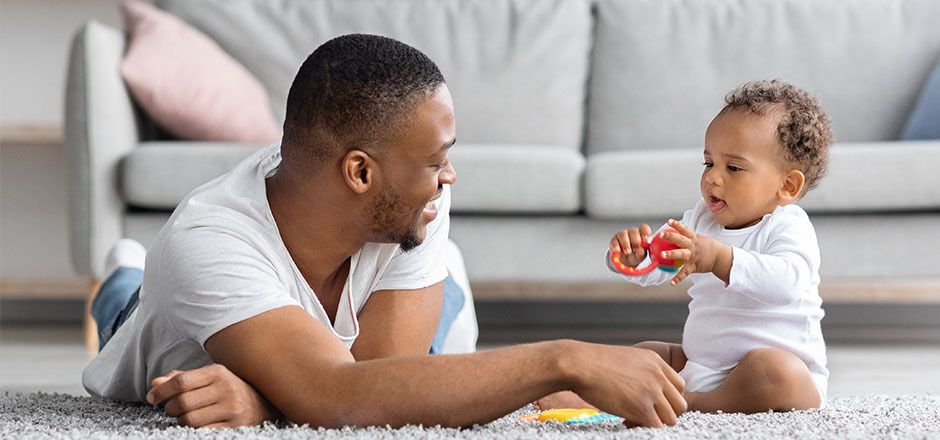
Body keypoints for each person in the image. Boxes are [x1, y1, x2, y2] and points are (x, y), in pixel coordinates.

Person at [83, 33, 687, 429]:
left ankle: (446, 284)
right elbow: (347, 396)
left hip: (353, 313)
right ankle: (127, 274)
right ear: (360, 172)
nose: (450, 176)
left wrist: (268, 400)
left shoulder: (414, 201)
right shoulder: (208, 243)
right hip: (172, 311)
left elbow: (381, 392)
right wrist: (565, 359)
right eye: (436, 161)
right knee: (128, 306)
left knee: (427, 341)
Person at [536, 80, 833, 414]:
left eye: (733, 168)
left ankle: (688, 404)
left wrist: (720, 258)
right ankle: (594, 395)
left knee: (780, 373)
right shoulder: (701, 218)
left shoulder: (788, 226)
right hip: (700, 364)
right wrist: (635, 258)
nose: (713, 178)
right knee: (646, 355)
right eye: (709, 163)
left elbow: (787, 283)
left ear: (787, 186)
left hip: (772, 376)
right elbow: (658, 264)